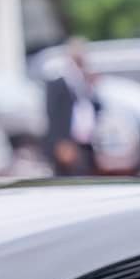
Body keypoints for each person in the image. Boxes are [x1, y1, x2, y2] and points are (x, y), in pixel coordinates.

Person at [44, 39, 103, 176]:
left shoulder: (85, 83)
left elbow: (96, 108)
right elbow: (53, 115)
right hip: (68, 143)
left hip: (86, 143)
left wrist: (93, 87)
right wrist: (60, 142)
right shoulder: (59, 84)